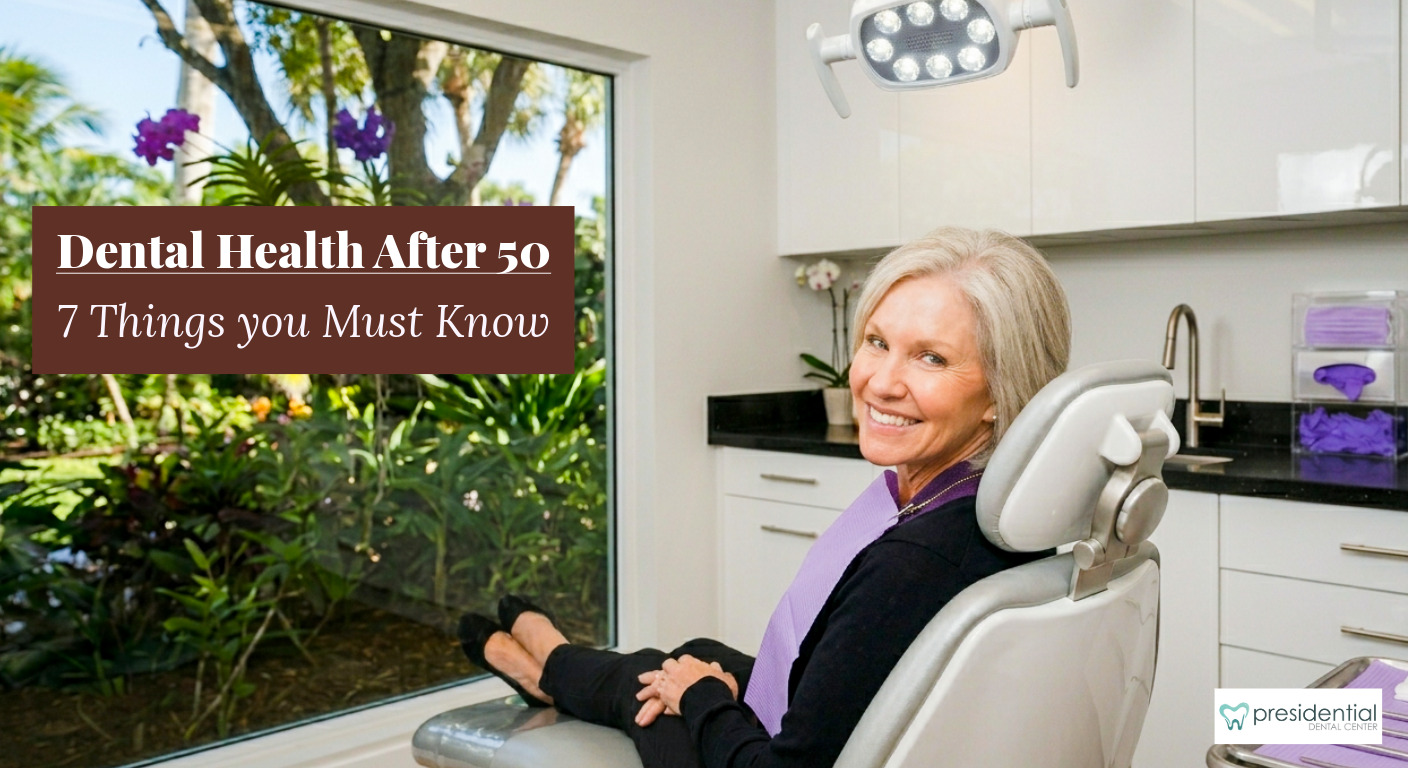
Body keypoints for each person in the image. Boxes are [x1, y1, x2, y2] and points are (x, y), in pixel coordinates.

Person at [457, 227, 1072, 768]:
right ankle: (558, 665)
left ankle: (547, 671)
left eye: (931, 358)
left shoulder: (916, 562)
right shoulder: (986, 507)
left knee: (655, 687)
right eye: (877, 342)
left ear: (1001, 391)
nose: (881, 383)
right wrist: (705, 686)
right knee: (694, 655)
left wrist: (702, 699)